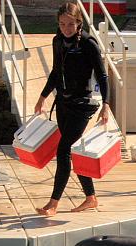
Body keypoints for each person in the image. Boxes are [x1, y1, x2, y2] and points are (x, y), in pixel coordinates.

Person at [33, 2, 111, 216]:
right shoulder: (57, 41)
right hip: (64, 103)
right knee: (74, 151)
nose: (66, 28)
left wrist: (106, 104)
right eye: (62, 24)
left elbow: (103, 76)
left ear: (79, 23)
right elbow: (56, 72)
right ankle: (91, 197)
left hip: (83, 104)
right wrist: (42, 97)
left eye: (70, 24)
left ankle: (53, 203)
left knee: (63, 150)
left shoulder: (88, 43)